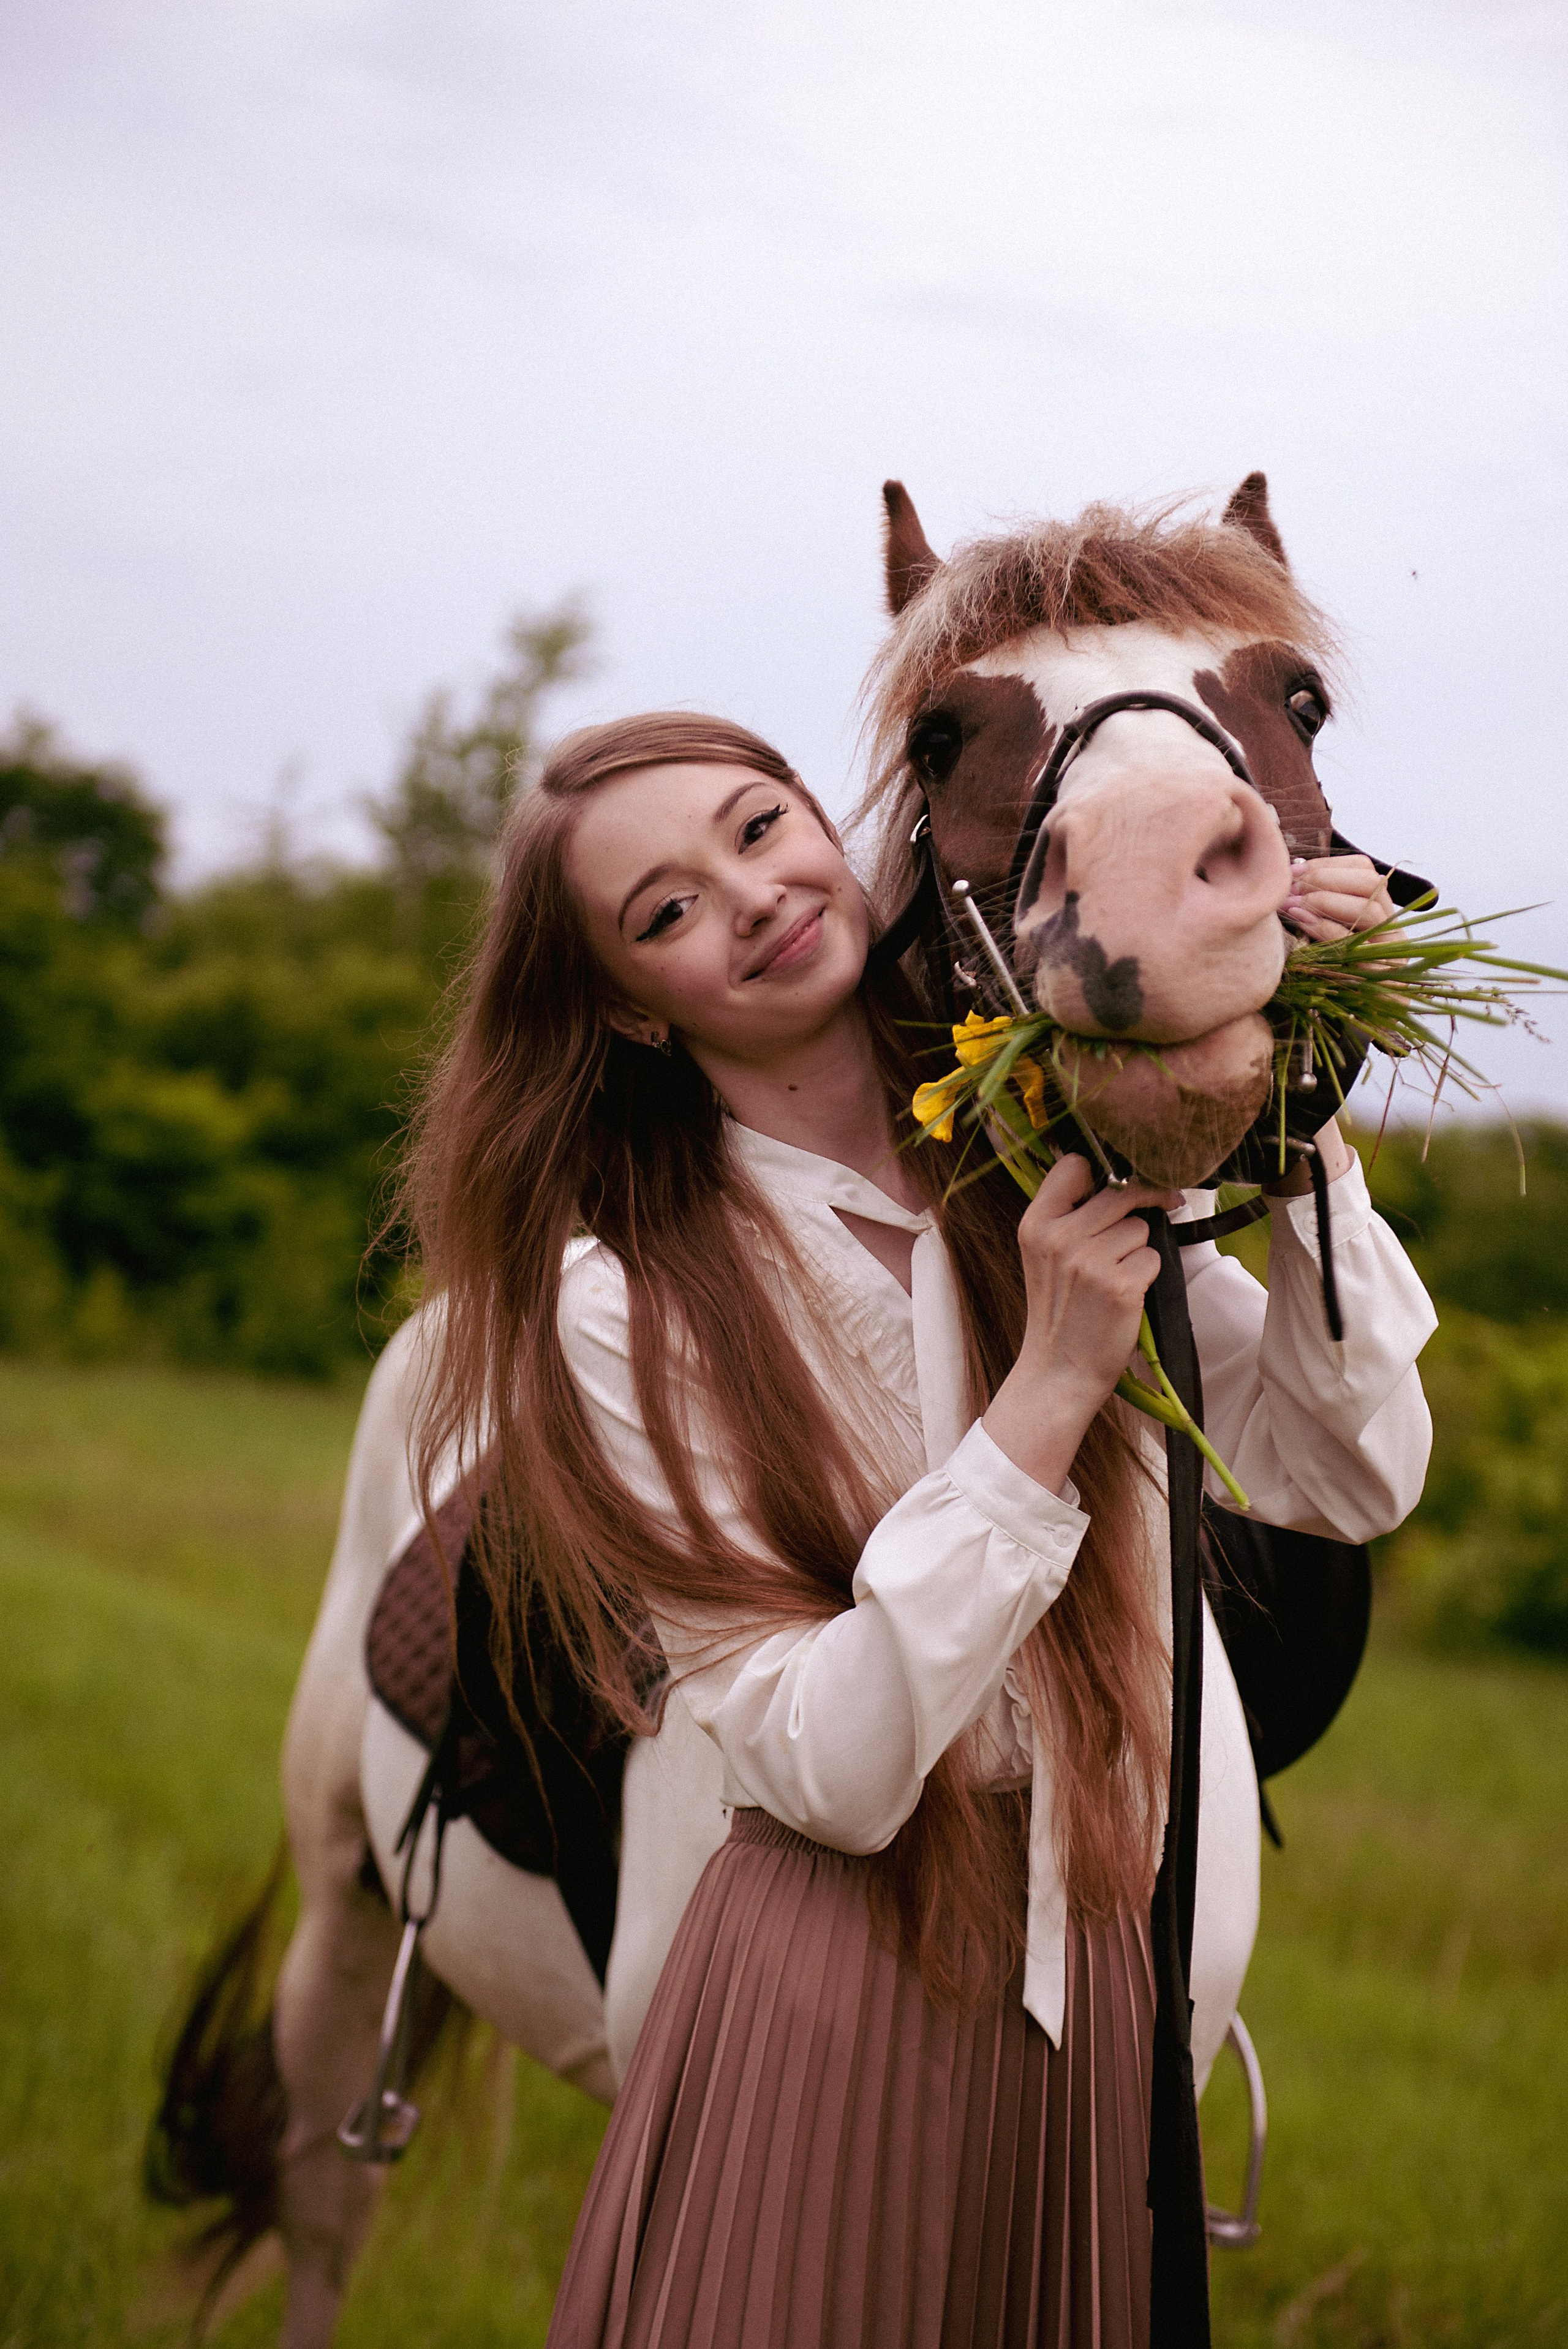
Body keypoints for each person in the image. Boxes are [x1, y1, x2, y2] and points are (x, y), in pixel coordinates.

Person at [404, 712, 1434, 2349]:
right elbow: (823, 1760)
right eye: (664, 911)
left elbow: (1349, 1468)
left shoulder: (1053, 1141)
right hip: (826, 1984)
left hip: (1103, 1964)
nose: (747, 897)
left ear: (830, 824)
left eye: (759, 827)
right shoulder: (625, 1303)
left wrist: (1298, 1107)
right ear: (623, 1005)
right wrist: (1050, 1394)